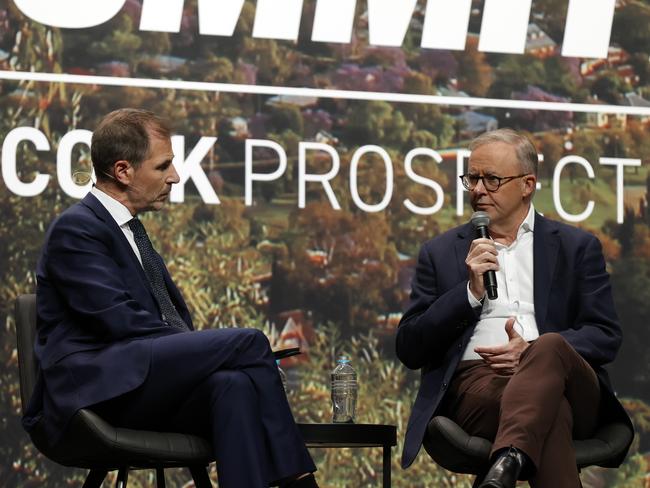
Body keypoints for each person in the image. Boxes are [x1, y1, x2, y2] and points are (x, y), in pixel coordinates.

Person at [22, 108, 318, 488]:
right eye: (163, 167)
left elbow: (163, 322)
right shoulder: (76, 229)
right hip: (96, 392)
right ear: (123, 171)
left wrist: (202, 356)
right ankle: (300, 479)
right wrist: (202, 353)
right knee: (250, 341)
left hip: (141, 383)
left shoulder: (134, 232)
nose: (175, 177)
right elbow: (118, 321)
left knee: (235, 386)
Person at [396, 129, 632, 487]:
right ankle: (508, 463)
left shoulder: (576, 247)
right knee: (551, 412)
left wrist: (531, 354)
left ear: (527, 184)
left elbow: (605, 335)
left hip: (571, 380)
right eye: (472, 178)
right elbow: (410, 347)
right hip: (480, 387)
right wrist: (469, 292)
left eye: (491, 179)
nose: (477, 189)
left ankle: (505, 462)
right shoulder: (441, 252)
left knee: (549, 346)